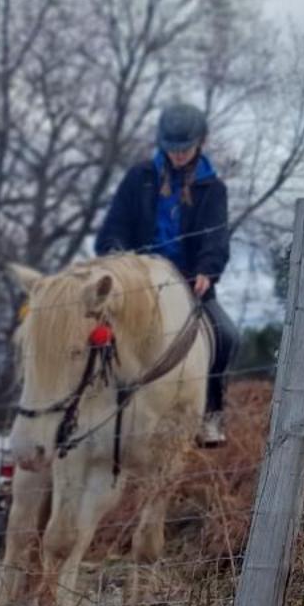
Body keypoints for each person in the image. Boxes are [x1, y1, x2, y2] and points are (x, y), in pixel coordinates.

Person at [96, 102, 237, 446]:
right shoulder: (138, 177)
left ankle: (210, 415)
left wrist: (208, 269)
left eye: (184, 149)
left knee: (228, 336)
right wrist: (118, 258)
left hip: (189, 284)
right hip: (135, 281)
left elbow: (216, 238)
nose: (177, 156)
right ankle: (90, 410)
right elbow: (113, 229)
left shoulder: (213, 188)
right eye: (171, 149)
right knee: (92, 331)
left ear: (200, 142)